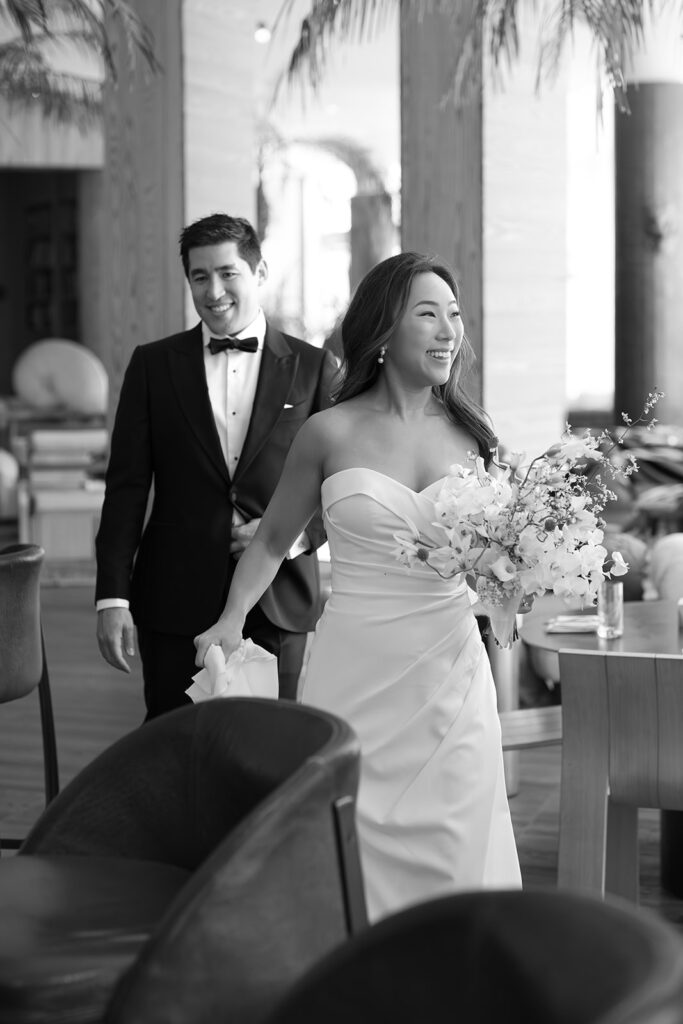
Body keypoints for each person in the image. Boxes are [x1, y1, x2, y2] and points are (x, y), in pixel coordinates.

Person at [194, 250, 521, 921]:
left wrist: (517, 584)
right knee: (351, 828)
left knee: (456, 829)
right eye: (426, 314)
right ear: (381, 329)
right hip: (354, 664)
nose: (447, 331)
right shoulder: (328, 432)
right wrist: (230, 619)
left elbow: (498, 576)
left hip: (450, 673)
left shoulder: (474, 438)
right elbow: (271, 540)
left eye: (453, 316)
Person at [95, 213, 337, 718]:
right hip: (173, 598)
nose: (214, 290)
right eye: (199, 277)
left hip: (278, 600)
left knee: (273, 753)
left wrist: (287, 536)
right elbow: (126, 490)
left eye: (228, 273)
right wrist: (112, 597)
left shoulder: (315, 369)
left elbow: (340, 485)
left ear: (260, 273)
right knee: (173, 748)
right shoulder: (152, 365)